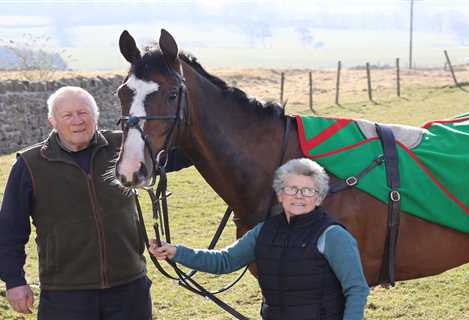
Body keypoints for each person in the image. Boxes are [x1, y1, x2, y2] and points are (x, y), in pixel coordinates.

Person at [0, 86, 190, 320]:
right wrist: (14, 280)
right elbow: (10, 230)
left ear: (96, 115)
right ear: (53, 121)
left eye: (83, 113)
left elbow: (182, 156)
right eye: (67, 115)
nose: (77, 121)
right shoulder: (30, 164)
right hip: (65, 294)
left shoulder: (123, 147)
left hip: (129, 287)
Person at [149, 158, 369, 320]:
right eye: (292, 188)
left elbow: (356, 289)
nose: (299, 195)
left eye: (308, 190)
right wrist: (176, 251)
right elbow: (224, 261)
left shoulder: (333, 236)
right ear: (280, 194)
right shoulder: (263, 231)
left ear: (319, 197)